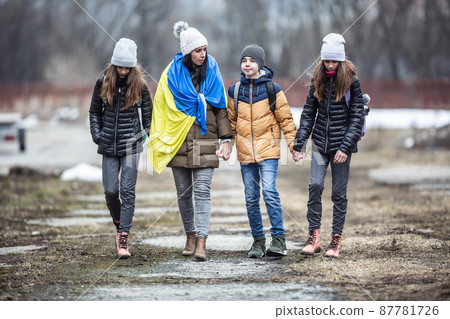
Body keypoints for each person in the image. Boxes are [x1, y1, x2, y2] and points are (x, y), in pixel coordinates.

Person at [148, 21, 232, 261]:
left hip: (206, 137)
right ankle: (190, 236)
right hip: (178, 139)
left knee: (202, 192)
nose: (203, 55)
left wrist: (226, 139)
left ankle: (202, 242)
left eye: (205, 49)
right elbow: (161, 108)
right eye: (198, 50)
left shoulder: (212, 69)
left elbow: (220, 107)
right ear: (187, 52)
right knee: (184, 194)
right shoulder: (170, 75)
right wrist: (159, 137)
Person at [292, 33, 364, 258]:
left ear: (341, 61)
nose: (330, 65)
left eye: (334, 61)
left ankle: (335, 241)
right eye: (327, 61)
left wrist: (344, 147)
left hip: (342, 147)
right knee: (314, 186)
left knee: (339, 194)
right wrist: (299, 143)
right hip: (320, 146)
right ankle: (314, 237)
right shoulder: (317, 80)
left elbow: (357, 117)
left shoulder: (351, 81)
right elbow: (308, 113)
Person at [227, 44, 297, 258]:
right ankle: (258, 242)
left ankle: (278, 240)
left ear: (260, 64)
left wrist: (295, 147)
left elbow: (286, 119)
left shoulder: (272, 89)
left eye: (252, 60)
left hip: (269, 151)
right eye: (244, 60)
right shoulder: (234, 91)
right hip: (245, 153)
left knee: (269, 191)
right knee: (250, 197)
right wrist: (226, 144)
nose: (247, 64)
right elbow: (230, 121)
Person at [89, 38, 152, 259]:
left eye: (128, 67)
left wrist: (144, 137)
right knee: (110, 191)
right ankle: (118, 223)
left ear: (133, 66)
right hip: (107, 145)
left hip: (131, 146)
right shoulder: (102, 82)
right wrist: (97, 135)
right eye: (120, 66)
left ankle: (123, 238)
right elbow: (94, 112)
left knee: (127, 191)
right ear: (114, 64)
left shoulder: (140, 86)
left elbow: (148, 116)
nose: (124, 71)